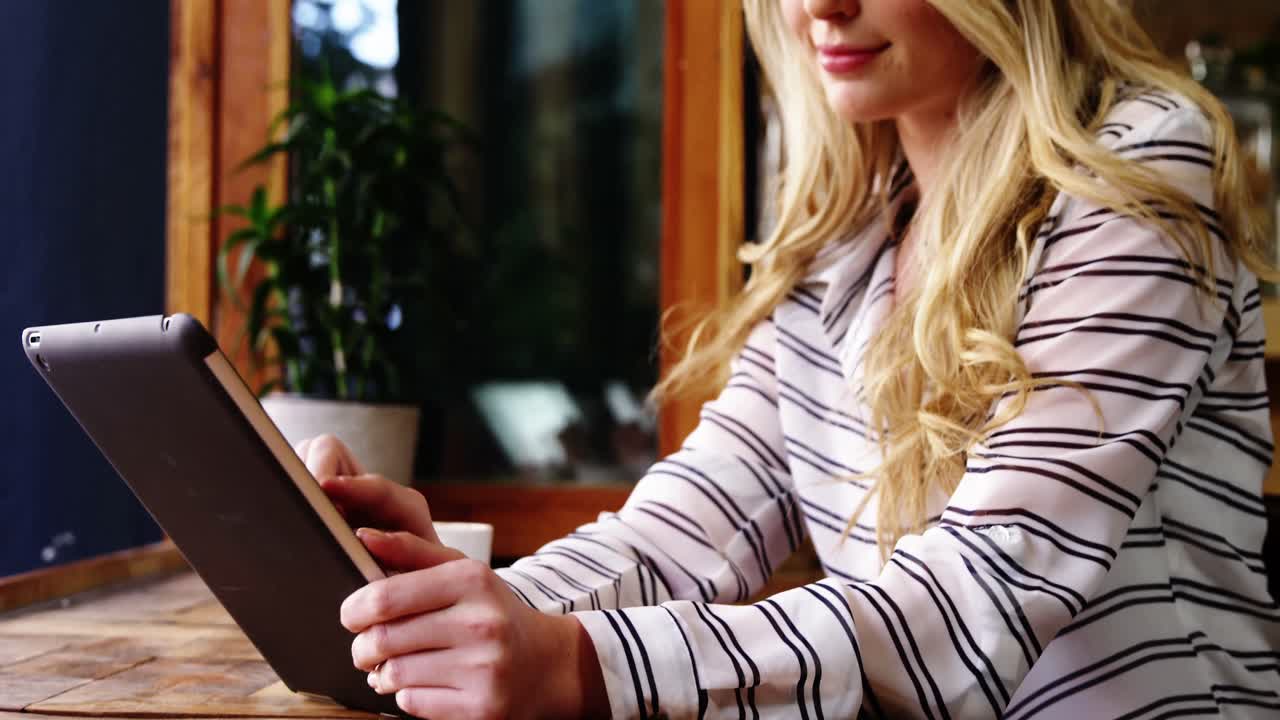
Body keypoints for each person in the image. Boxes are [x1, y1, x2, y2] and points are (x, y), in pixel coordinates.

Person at [295, 0, 1280, 717]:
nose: (820, 5)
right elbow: (678, 538)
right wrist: (453, 604)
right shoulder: (849, 239)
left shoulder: (1135, 168)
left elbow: (975, 605)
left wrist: (568, 663)